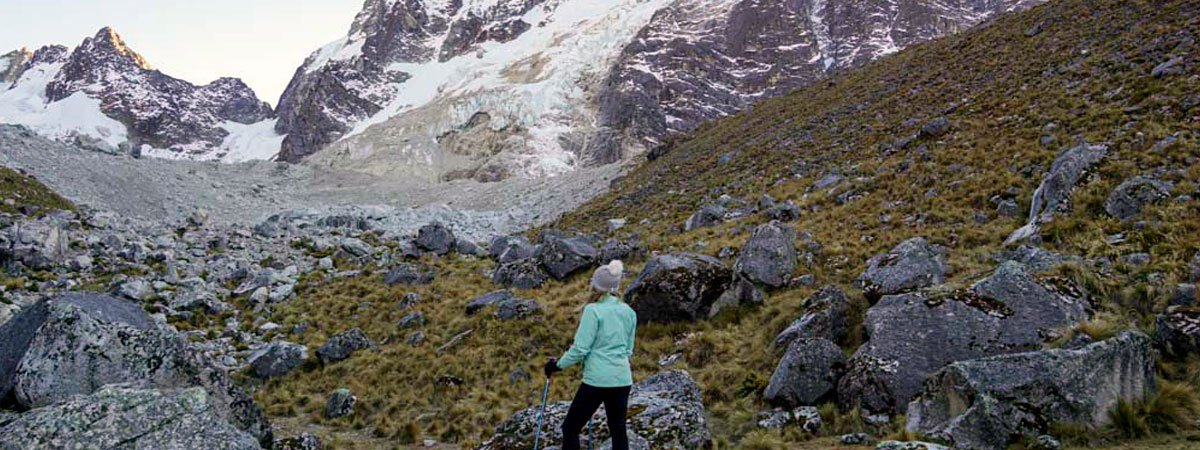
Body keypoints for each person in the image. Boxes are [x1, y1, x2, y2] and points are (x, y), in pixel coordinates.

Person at [544, 260, 637, 450]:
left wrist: (557, 365)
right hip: (622, 379)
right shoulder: (628, 312)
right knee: (618, 430)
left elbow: (580, 349)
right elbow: (629, 350)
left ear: (595, 285)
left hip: (597, 380)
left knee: (570, 428)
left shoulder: (592, 311)